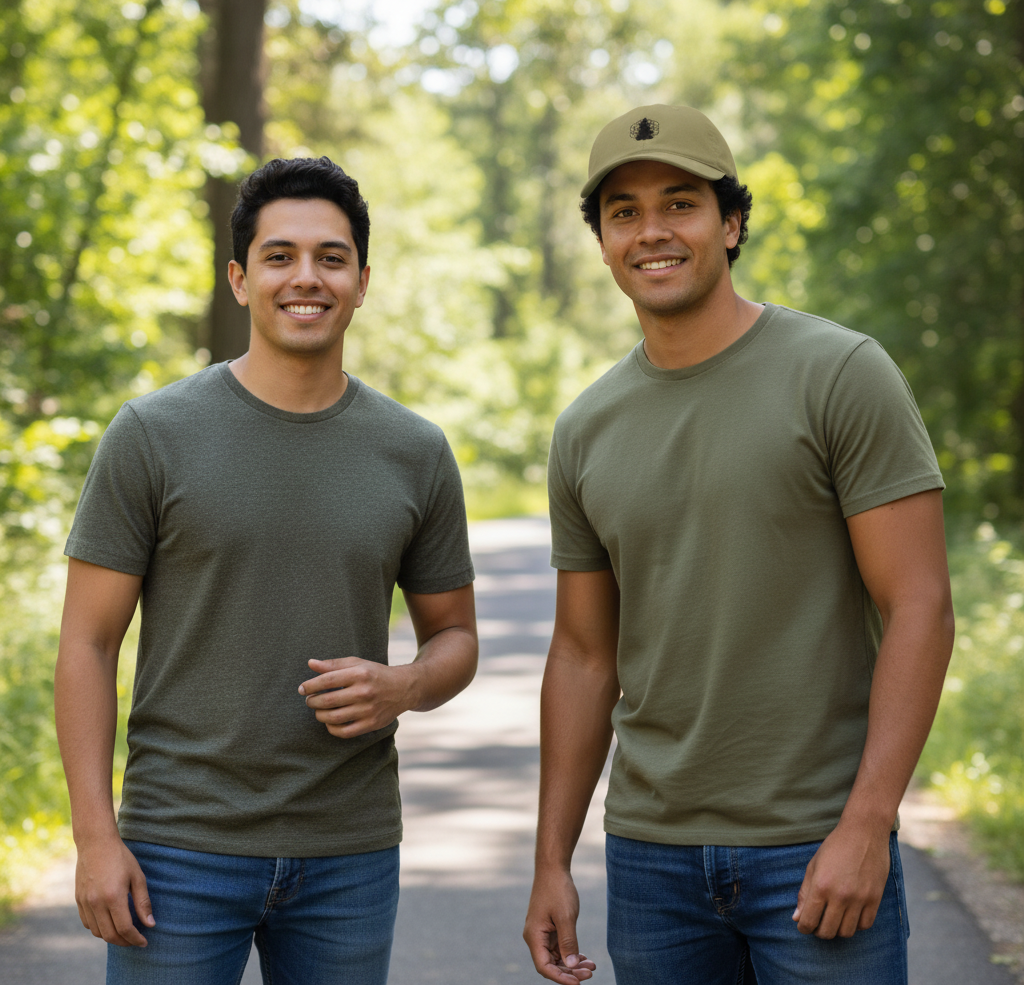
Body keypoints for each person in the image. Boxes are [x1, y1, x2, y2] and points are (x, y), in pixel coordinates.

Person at [523, 104, 954, 985]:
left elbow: (920, 605)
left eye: (679, 203)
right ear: (603, 242)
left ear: (731, 222)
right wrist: (551, 861)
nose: (652, 232)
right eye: (624, 212)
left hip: (813, 843)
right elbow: (580, 655)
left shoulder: (840, 374)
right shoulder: (585, 429)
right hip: (651, 860)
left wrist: (868, 823)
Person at [55, 156, 478, 985]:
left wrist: (406, 686)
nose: (306, 278)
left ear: (362, 281)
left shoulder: (415, 451)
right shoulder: (152, 434)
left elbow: (455, 637)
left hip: (348, 854)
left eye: (332, 257)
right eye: (280, 256)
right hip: (178, 849)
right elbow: (86, 643)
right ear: (240, 279)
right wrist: (95, 837)